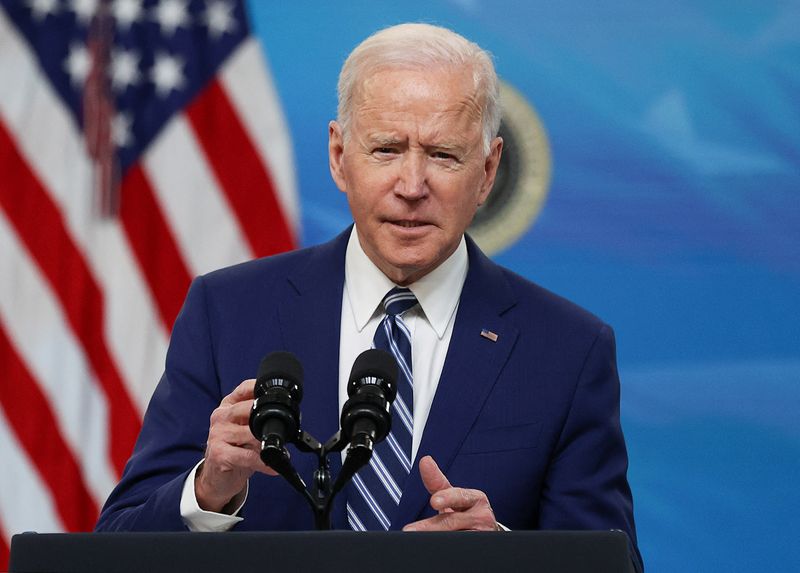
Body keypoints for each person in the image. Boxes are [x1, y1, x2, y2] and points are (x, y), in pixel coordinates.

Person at [96, 22, 642, 569]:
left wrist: (503, 550)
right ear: (338, 155)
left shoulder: (568, 350)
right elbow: (116, 548)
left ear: (488, 172)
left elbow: (614, 564)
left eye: (444, 155)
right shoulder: (229, 312)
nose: (411, 185)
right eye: (385, 149)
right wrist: (210, 489)